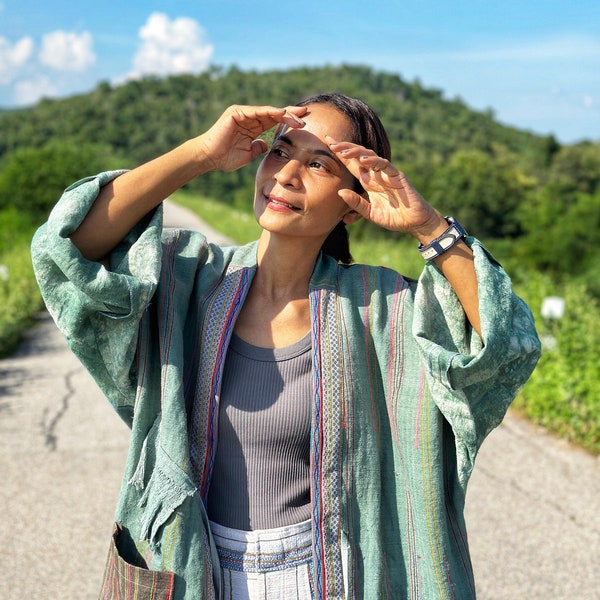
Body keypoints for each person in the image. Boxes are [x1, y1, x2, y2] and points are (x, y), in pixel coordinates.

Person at [31, 93, 540, 600]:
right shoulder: (188, 279)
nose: (287, 175)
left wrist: (429, 227)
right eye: (280, 151)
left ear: (354, 203)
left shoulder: (383, 308)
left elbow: (503, 342)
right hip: (189, 568)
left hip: (327, 578)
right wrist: (200, 154)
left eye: (319, 164)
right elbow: (68, 248)